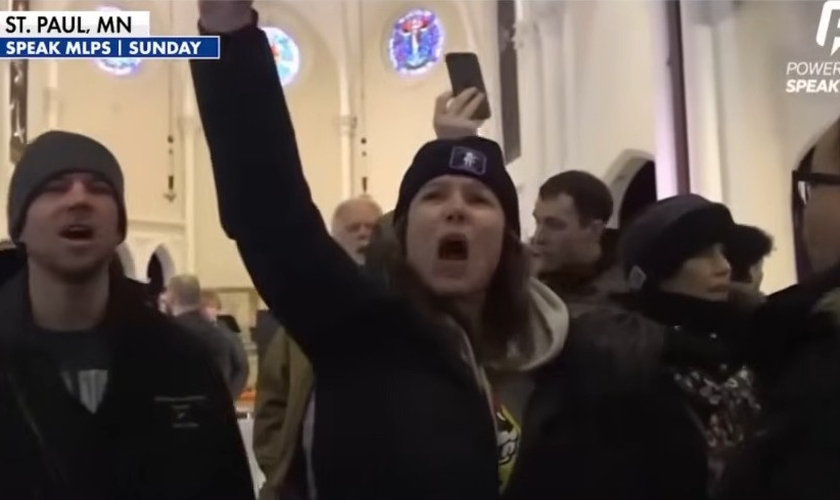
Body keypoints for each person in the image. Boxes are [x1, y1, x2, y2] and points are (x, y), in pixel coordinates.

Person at [192, 5, 572, 499]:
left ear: (507, 241)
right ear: (404, 233)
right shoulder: (362, 331)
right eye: (433, 197)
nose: (455, 209)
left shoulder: (564, 355)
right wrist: (228, 27)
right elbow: (268, 208)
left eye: (479, 200)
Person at [0, 130, 254, 498]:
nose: (79, 198)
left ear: (119, 225)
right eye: (55, 186)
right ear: (18, 223)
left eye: (99, 188)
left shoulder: (181, 361)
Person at [531, 171, 623, 315]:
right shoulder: (530, 280)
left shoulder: (631, 289)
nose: (538, 237)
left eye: (554, 225)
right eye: (537, 222)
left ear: (594, 230)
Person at [167, 274, 239, 397]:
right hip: (212, 408)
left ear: (172, 297)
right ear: (199, 299)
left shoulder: (166, 334)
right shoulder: (219, 334)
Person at [202, 289, 251, 399]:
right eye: (203, 306)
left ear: (217, 309)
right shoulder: (190, 332)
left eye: (210, 306)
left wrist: (230, 395)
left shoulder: (229, 336)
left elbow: (242, 367)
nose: (206, 310)